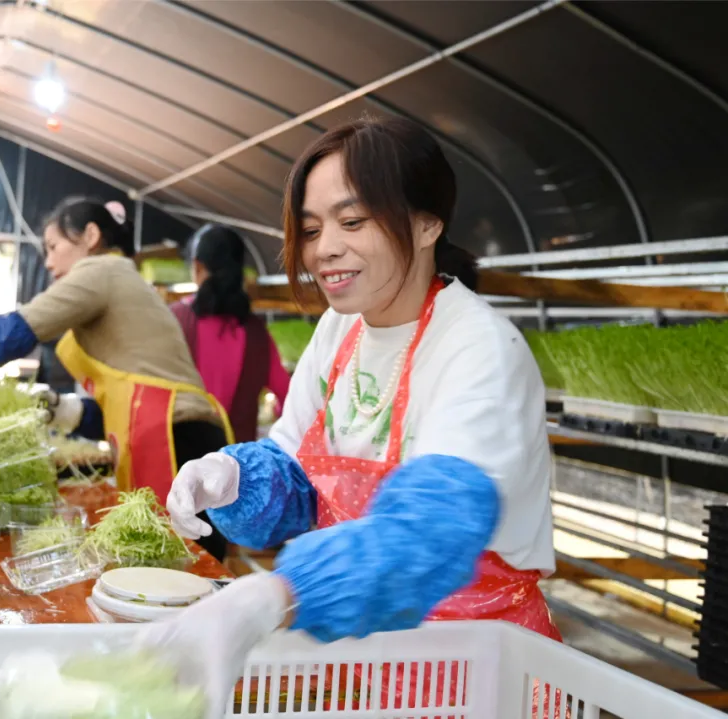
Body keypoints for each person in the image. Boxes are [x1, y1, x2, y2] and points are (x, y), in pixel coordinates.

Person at [144, 117, 559, 717]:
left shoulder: (478, 348)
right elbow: (301, 480)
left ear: (426, 223)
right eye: (311, 229)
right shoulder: (341, 329)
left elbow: (432, 531)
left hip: (478, 675)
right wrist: (235, 478)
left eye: (353, 221)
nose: (323, 249)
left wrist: (279, 594)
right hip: (369, 666)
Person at [0, 198, 235, 559]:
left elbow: (9, 334)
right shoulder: (121, 278)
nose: (48, 261)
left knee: (180, 568)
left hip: (175, 442)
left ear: (90, 236)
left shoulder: (101, 272)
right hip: (182, 437)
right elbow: (132, 392)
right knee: (172, 570)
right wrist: (71, 411)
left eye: (54, 246)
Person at [169, 224, 290, 443]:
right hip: (238, 468)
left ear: (197, 267)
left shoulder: (176, 320)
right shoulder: (256, 333)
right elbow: (290, 399)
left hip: (179, 462)